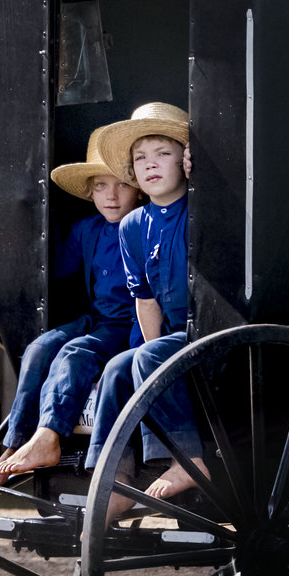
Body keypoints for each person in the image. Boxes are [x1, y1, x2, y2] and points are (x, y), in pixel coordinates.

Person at [0, 132, 142, 489]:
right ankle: (16, 442)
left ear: (139, 188)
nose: (111, 196)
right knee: (40, 347)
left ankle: (49, 436)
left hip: (131, 325)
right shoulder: (88, 231)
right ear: (89, 192)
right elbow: (54, 265)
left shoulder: (142, 226)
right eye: (100, 186)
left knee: (75, 351)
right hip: (99, 319)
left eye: (121, 185)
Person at [88, 102, 207, 504]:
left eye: (163, 154)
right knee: (121, 365)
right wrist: (147, 351)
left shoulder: (201, 209)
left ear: (185, 162)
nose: (150, 164)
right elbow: (146, 299)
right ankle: (113, 480)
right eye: (141, 158)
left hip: (209, 333)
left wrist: (202, 174)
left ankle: (187, 459)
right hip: (172, 337)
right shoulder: (133, 225)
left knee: (149, 358)